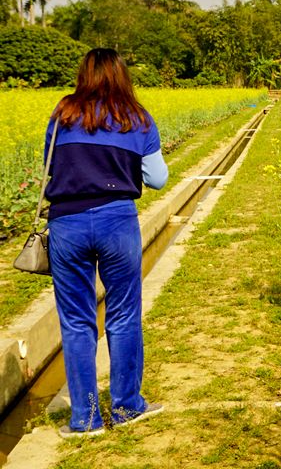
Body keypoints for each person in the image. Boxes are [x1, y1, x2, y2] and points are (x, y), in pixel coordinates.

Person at [45, 48, 168, 438]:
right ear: (121, 75)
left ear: (84, 75)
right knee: (124, 315)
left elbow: (49, 166)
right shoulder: (136, 116)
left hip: (67, 222)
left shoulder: (63, 113)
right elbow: (159, 179)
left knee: (77, 322)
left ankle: (85, 418)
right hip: (117, 220)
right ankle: (128, 406)